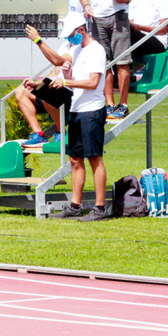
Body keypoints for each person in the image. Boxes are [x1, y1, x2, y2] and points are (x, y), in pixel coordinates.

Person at [49, 13, 108, 222]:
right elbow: (69, 77)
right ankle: (75, 205)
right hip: (76, 109)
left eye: (72, 35)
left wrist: (66, 83)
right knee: (75, 159)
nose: (69, 40)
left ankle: (100, 207)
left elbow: (92, 82)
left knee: (94, 158)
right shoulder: (76, 50)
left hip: (92, 110)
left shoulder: (96, 50)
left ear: (81, 30)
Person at [15, 24, 74, 147]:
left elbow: (58, 60)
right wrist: (36, 84)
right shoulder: (65, 46)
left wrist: (38, 40)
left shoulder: (79, 48)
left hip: (70, 94)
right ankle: (38, 134)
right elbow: (55, 72)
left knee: (48, 93)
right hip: (55, 92)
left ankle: (60, 132)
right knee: (20, 91)